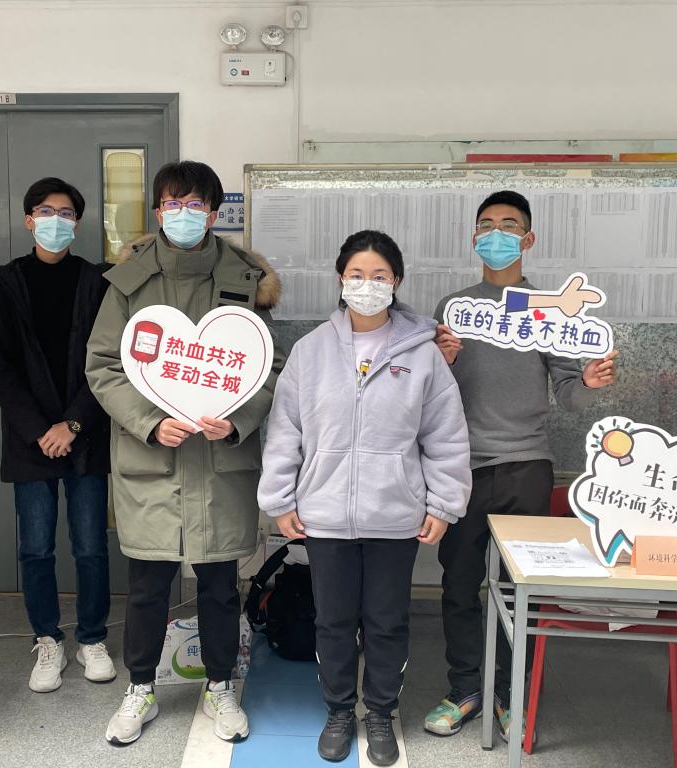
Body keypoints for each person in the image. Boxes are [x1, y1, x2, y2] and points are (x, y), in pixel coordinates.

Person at [86, 160, 284, 746]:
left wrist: (238, 419)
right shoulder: (127, 282)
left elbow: (269, 366)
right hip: (154, 460)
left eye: (195, 204)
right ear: (157, 210)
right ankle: (140, 688)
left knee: (220, 584)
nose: (183, 214)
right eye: (173, 203)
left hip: (220, 462)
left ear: (214, 212)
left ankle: (220, 685)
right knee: (148, 584)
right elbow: (102, 366)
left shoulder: (246, 279)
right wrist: (150, 423)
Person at [257, 230, 472, 766]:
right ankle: (337, 711)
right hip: (325, 514)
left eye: (379, 276)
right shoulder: (310, 351)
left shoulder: (422, 355)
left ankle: (379, 712)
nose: (367, 285)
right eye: (357, 275)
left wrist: (443, 504)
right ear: (340, 280)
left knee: (385, 622)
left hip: (395, 515)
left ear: (396, 282)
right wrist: (281, 500)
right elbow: (285, 431)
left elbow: (445, 435)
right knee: (332, 622)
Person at [424, 190, 618, 742]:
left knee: (519, 589)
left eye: (509, 225)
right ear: (474, 237)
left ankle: (512, 693)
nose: (496, 234)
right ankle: (465, 688)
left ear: (528, 239)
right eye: (486, 225)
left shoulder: (551, 309)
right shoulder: (454, 308)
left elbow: (568, 394)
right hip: (459, 466)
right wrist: (441, 361)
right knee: (459, 584)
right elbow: (428, 392)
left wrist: (588, 382)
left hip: (526, 464)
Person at [0, 177, 115, 693]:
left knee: (91, 547)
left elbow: (110, 361)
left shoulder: (98, 282)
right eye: (44, 211)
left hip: (85, 433)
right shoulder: (6, 283)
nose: (54, 220)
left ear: (77, 223)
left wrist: (73, 423)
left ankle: (92, 638)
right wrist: (41, 430)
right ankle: (47, 639)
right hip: (30, 438)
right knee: (36, 548)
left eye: (65, 213)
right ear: (28, 220)